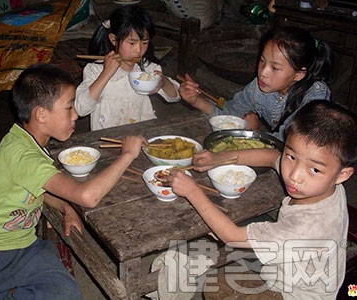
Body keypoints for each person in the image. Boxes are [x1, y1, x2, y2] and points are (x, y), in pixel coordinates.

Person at [0, 63, 147, 299]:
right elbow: (88, 197)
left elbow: (37, 188)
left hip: (26, 247)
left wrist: (66, 206)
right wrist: (128, 154)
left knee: (66, 293)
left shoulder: (26, 140)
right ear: (41, 114)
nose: (76, 114)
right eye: (69, 107)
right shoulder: (22, 155)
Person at [168, 100, 357, 299]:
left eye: (315, 169)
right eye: (291, 156)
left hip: (293, 295)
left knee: (217, 286)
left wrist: (192, 191)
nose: (294, 175)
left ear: (342, 175)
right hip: (305, 275)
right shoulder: (330, 182)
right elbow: (271, 155)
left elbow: (231, 236)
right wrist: (219, 158)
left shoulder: (305, 228)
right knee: (226, 275)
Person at [179, 26, 333, 141]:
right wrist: (196, 100)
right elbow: (230, 115)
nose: (263, 72)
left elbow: (289, 144)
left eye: (275, 68)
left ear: (299, 74)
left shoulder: (315, 97)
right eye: (262, 61)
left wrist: (253, 132)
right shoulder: (259, 87)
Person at [75, 5, 180, 131]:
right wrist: (106, 73)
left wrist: (163, 82)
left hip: (142, 133)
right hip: (107, 137)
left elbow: (174, 96)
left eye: (145, 42)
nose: (139, 50)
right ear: (114, 40)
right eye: (132, 43)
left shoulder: (147, 68)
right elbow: (81, 109)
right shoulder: (95, 69)